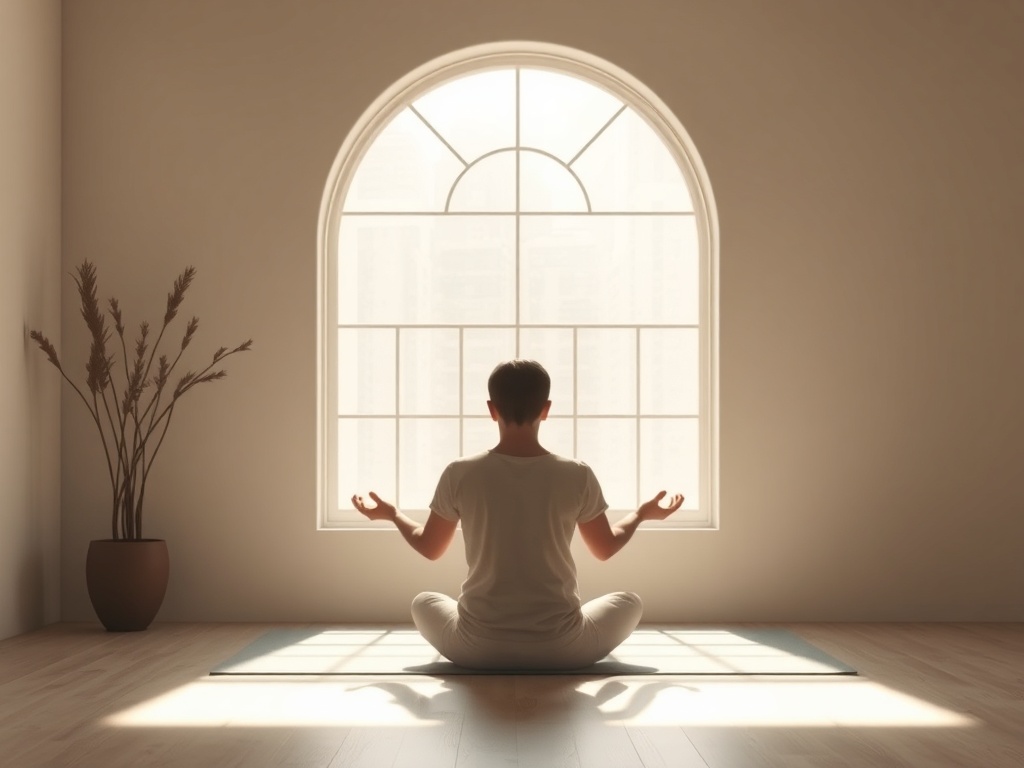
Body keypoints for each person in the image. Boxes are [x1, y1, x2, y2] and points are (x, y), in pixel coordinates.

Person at [351, 359, 684, 670]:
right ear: (547, 409)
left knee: (423, 601)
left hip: (476, 648)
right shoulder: (576, 474)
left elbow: (431, 548)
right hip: (562, 649)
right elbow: (604, 548)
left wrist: (393, 514)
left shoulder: (460, 473)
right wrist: (640, 514)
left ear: (491, 410)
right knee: (629, 601)